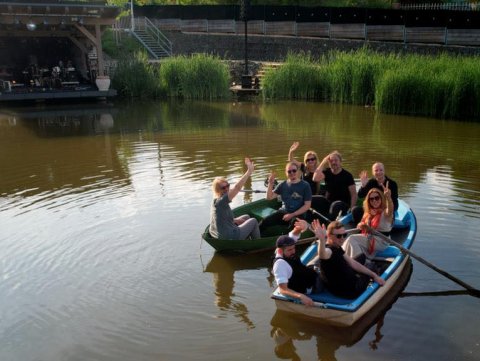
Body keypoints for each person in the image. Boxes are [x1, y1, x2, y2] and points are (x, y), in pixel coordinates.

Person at [312, 219, 385, 299]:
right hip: (351, 291)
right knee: (371, 265)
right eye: (339, 236)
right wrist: (322, 241)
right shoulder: (329, 251)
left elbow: (353, 263)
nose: (342, 238)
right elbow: (322, 254)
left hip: (337, 287)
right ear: (329, 235)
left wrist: (373, 275)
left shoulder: (337, 247)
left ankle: (372, 275)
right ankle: (379, 277)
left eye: (344, 235)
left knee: (359, 260)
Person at [209, 157, 260, 240]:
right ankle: (257, 243)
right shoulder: (222, 200)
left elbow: (223, 218)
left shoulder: (216, 200)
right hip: (229, 236)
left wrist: (235, 220)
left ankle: (245, 238)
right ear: (217, 190)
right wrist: (249, 172)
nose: (226, 189)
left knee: (246, 217)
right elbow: (237, 187)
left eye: (227, 186)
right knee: (253, 221)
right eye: (223, 188)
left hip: (219, 233)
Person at [343, 185, 394, 263]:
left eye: (377, 198)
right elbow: (360, 225)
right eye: (371, 199)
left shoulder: (385, 213)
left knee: (352, 239)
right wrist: (360, 225)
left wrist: (388, 198)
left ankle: (359, 262)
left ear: (381, 199)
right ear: (369, 201)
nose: (374, 201)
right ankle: (346, 259)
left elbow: (390, 209)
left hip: (381, 241)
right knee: (349, 240)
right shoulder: (368, 212)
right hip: (369, 237)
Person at [260, 162, 312, 233]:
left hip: (298, 214)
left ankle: (287, 241)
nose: (292, 173)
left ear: (298, 171)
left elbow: (307, 206)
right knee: (264, 222)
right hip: (283, 212)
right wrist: (270, 183)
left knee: (293, 227)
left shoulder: (305, 185)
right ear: (286, 173)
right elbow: (269, 197)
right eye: (289, 171)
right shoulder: (282, 185)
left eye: (294, 170)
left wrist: (292, 215)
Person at [272, 235, 318, 306]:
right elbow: (283, 289)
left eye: (294, 248)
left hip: (310, 275)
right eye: (290, 250)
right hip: (313, 286)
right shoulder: (280, 264)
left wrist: (299, 229)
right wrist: (301, 296)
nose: (293, 251)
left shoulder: (286, 253)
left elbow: (293, 235)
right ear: (280, 251)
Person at [312, 150, 357, 220]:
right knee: (312, 199)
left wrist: (351, 209)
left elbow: (354, 194)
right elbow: (315, 178)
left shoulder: (347, 175)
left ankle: (329, 225)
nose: (333, 162)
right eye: (331, 161)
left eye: (336, 160)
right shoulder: (327, 172)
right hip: (329, 202)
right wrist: (323, 162)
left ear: (340, 162)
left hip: (343, 204)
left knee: (335, 205)